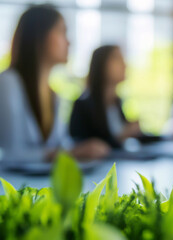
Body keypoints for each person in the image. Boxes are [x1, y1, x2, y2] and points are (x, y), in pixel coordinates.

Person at [0, 4, 110, 162]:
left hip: (46, 184)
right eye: (62, 31)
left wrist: (83, 148)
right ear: (40, 35)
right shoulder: (7, 83)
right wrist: (70, 153)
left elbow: (60, 146)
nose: (68, 42)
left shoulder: (54, 95)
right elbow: (9, 154)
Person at [69, 45, 151, 148]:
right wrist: (123, 135)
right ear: (101, 65)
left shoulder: (116, 102)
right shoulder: (83, 105)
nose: (124, 65)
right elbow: (85, 147)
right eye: (117, 58)